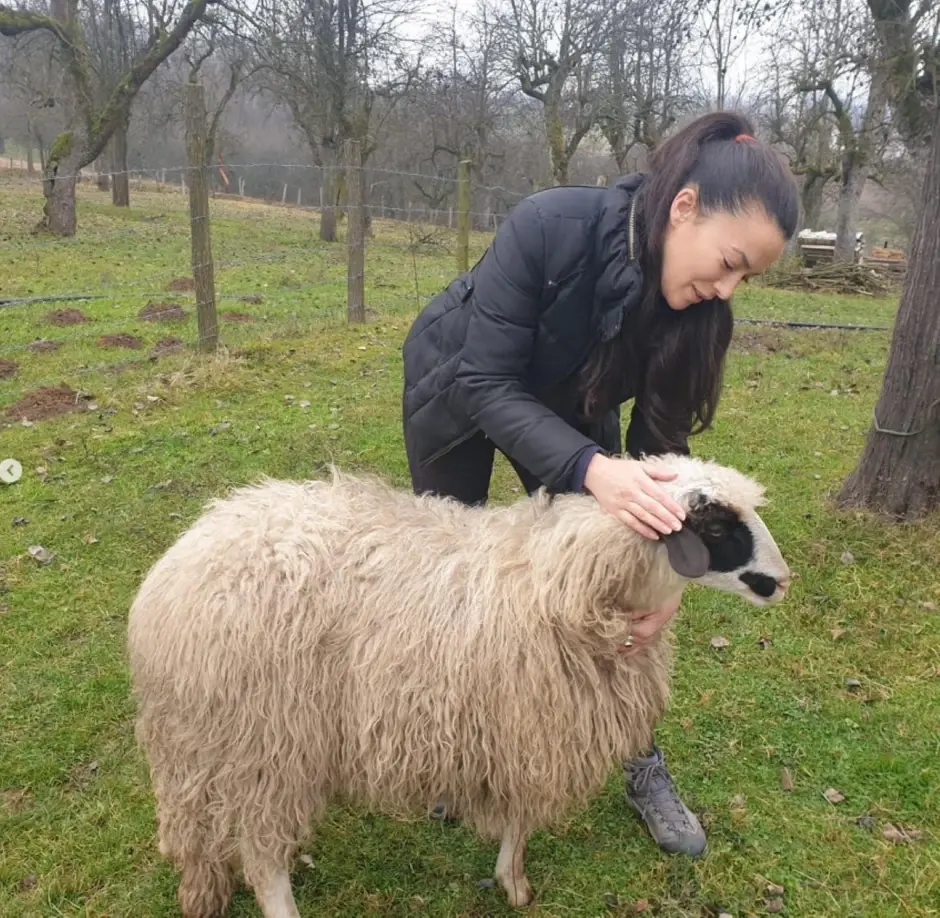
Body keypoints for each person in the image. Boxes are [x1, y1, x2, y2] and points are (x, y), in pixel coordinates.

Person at [400, 110, 799, 857]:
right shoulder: (548, 223)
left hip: (570, 404)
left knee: (616, 570)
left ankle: (637, 756)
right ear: (684, 207)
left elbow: (664, 465)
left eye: (748, 276)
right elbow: (487, 378)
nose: (728, 287)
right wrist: (595, 471)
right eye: (730, 260)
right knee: (454, 589)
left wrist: (667, 584)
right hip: (456, 390)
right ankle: (454, 747)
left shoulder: (702, 312)